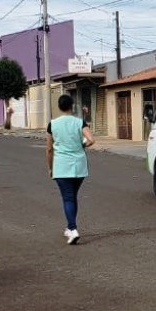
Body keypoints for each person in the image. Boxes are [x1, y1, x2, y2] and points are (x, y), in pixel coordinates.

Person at [47, 94, 95, 245]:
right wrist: (83, 145)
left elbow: (49, 149)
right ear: (72, 106)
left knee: (68, 197)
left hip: (61, 166)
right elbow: (92, 140)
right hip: (79, 166)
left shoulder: (52, 124)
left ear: (59, 107)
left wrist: (50, 168)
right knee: (72, 196)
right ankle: (69, 227)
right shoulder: (80, 122)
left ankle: (73, 230)